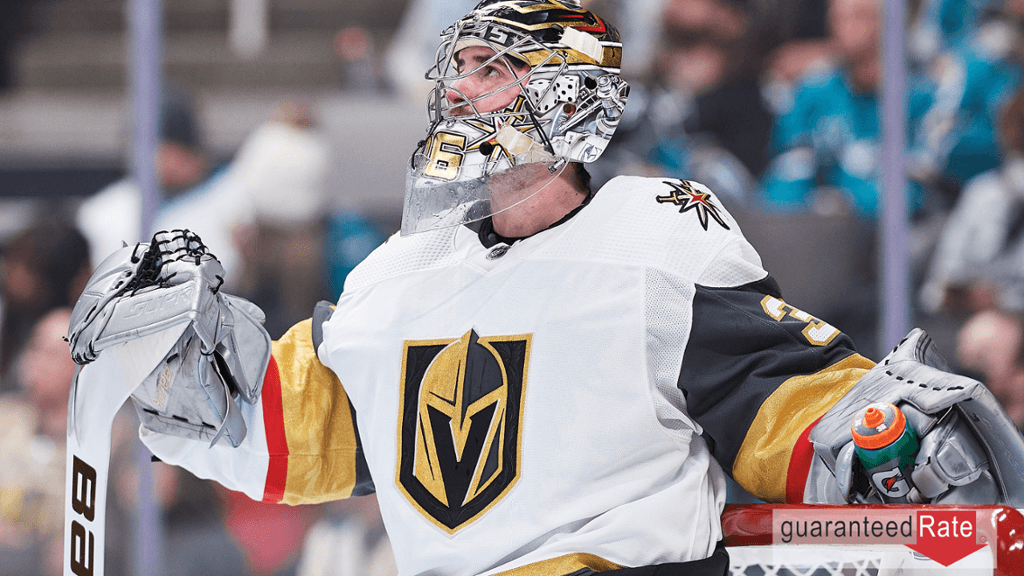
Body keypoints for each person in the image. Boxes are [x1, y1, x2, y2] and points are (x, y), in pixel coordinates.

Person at [69, 2, 1024, 575]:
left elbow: (775, 394)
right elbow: (294, 427)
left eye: (491, 70)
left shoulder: (654, 235)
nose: (459, 91)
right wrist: (176, 364)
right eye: (458, 71)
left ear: (568, 96)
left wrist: (876, 440)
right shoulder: (398, 276)